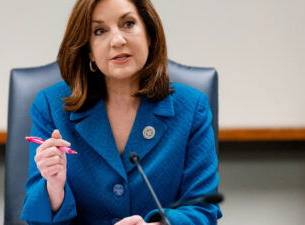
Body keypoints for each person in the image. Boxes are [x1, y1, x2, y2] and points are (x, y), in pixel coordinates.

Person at [21, 0, 222, 224]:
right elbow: (37, 219)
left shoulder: (192, 107)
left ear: (149, 34)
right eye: (99, 31)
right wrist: (54, 187)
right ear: (89, 51)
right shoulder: (51, 107)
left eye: (128, 24)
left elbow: (203, 208)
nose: (117, 40)